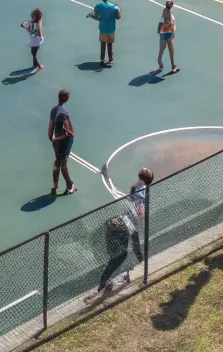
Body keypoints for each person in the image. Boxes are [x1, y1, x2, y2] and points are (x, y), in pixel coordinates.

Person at [89, 168, 152, 300]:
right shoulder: (140, 198)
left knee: (119, 254)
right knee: (122, 255)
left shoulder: (133, 194)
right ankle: (104, 284)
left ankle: (107, 281)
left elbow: (119, 189)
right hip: (124, 227)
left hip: (117, 224)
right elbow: (140, 212)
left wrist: (106, 176)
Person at [48, 89, 77, 195]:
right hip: (64, 142)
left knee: (57, 162)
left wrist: (53, 139)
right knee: (63, 164)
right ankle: (70, 186)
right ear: (67, 98)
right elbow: (67, 132)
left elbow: (50, 130)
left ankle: (55, 187)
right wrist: (70, 134)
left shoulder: (54, 110)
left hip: (56, 142)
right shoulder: (64, 113)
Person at [87, 0, 121, 67]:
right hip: (111, 30)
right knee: (110, 45)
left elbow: (96, 15)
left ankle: (102, 60)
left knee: (103, 45)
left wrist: (91, 15)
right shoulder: (114, 7)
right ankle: (110, 60)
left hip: (103, 29)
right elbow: (118, 17)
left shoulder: (99, 5)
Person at [155, 0, 178, 74]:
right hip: (169, 32)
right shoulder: (171, 14)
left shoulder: (164, 11)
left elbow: (161, 22)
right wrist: (173, 33)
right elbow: (173, 25)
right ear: (172, 6)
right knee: (171, 48)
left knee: (162, 48)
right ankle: (173, 65)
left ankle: (159, 63)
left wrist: (159, 30)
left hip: (163, 32)